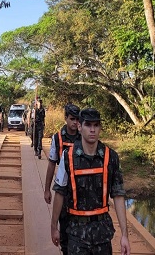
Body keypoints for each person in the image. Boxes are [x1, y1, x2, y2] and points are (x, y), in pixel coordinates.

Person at [51, 108, 131, 255]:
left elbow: (118, 196)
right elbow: (59, 192)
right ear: (80, 127)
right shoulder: (67, 157)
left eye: (96, 125)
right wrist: (54, 227)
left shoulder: (111, 157)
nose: (92, 130)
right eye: (88, 125)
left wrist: (124, 235)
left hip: (103, 234)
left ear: (100, 127)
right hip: (76, 233)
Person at [44, 104, 80, 255]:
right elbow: (52, 164)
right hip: (64, 188)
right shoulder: (57, 138)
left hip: (81, 188)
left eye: (77, 119)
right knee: (64, 230)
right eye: (72, 119)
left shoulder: (83, 135)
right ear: (65, 118)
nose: (75, 123)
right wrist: (47, 189)